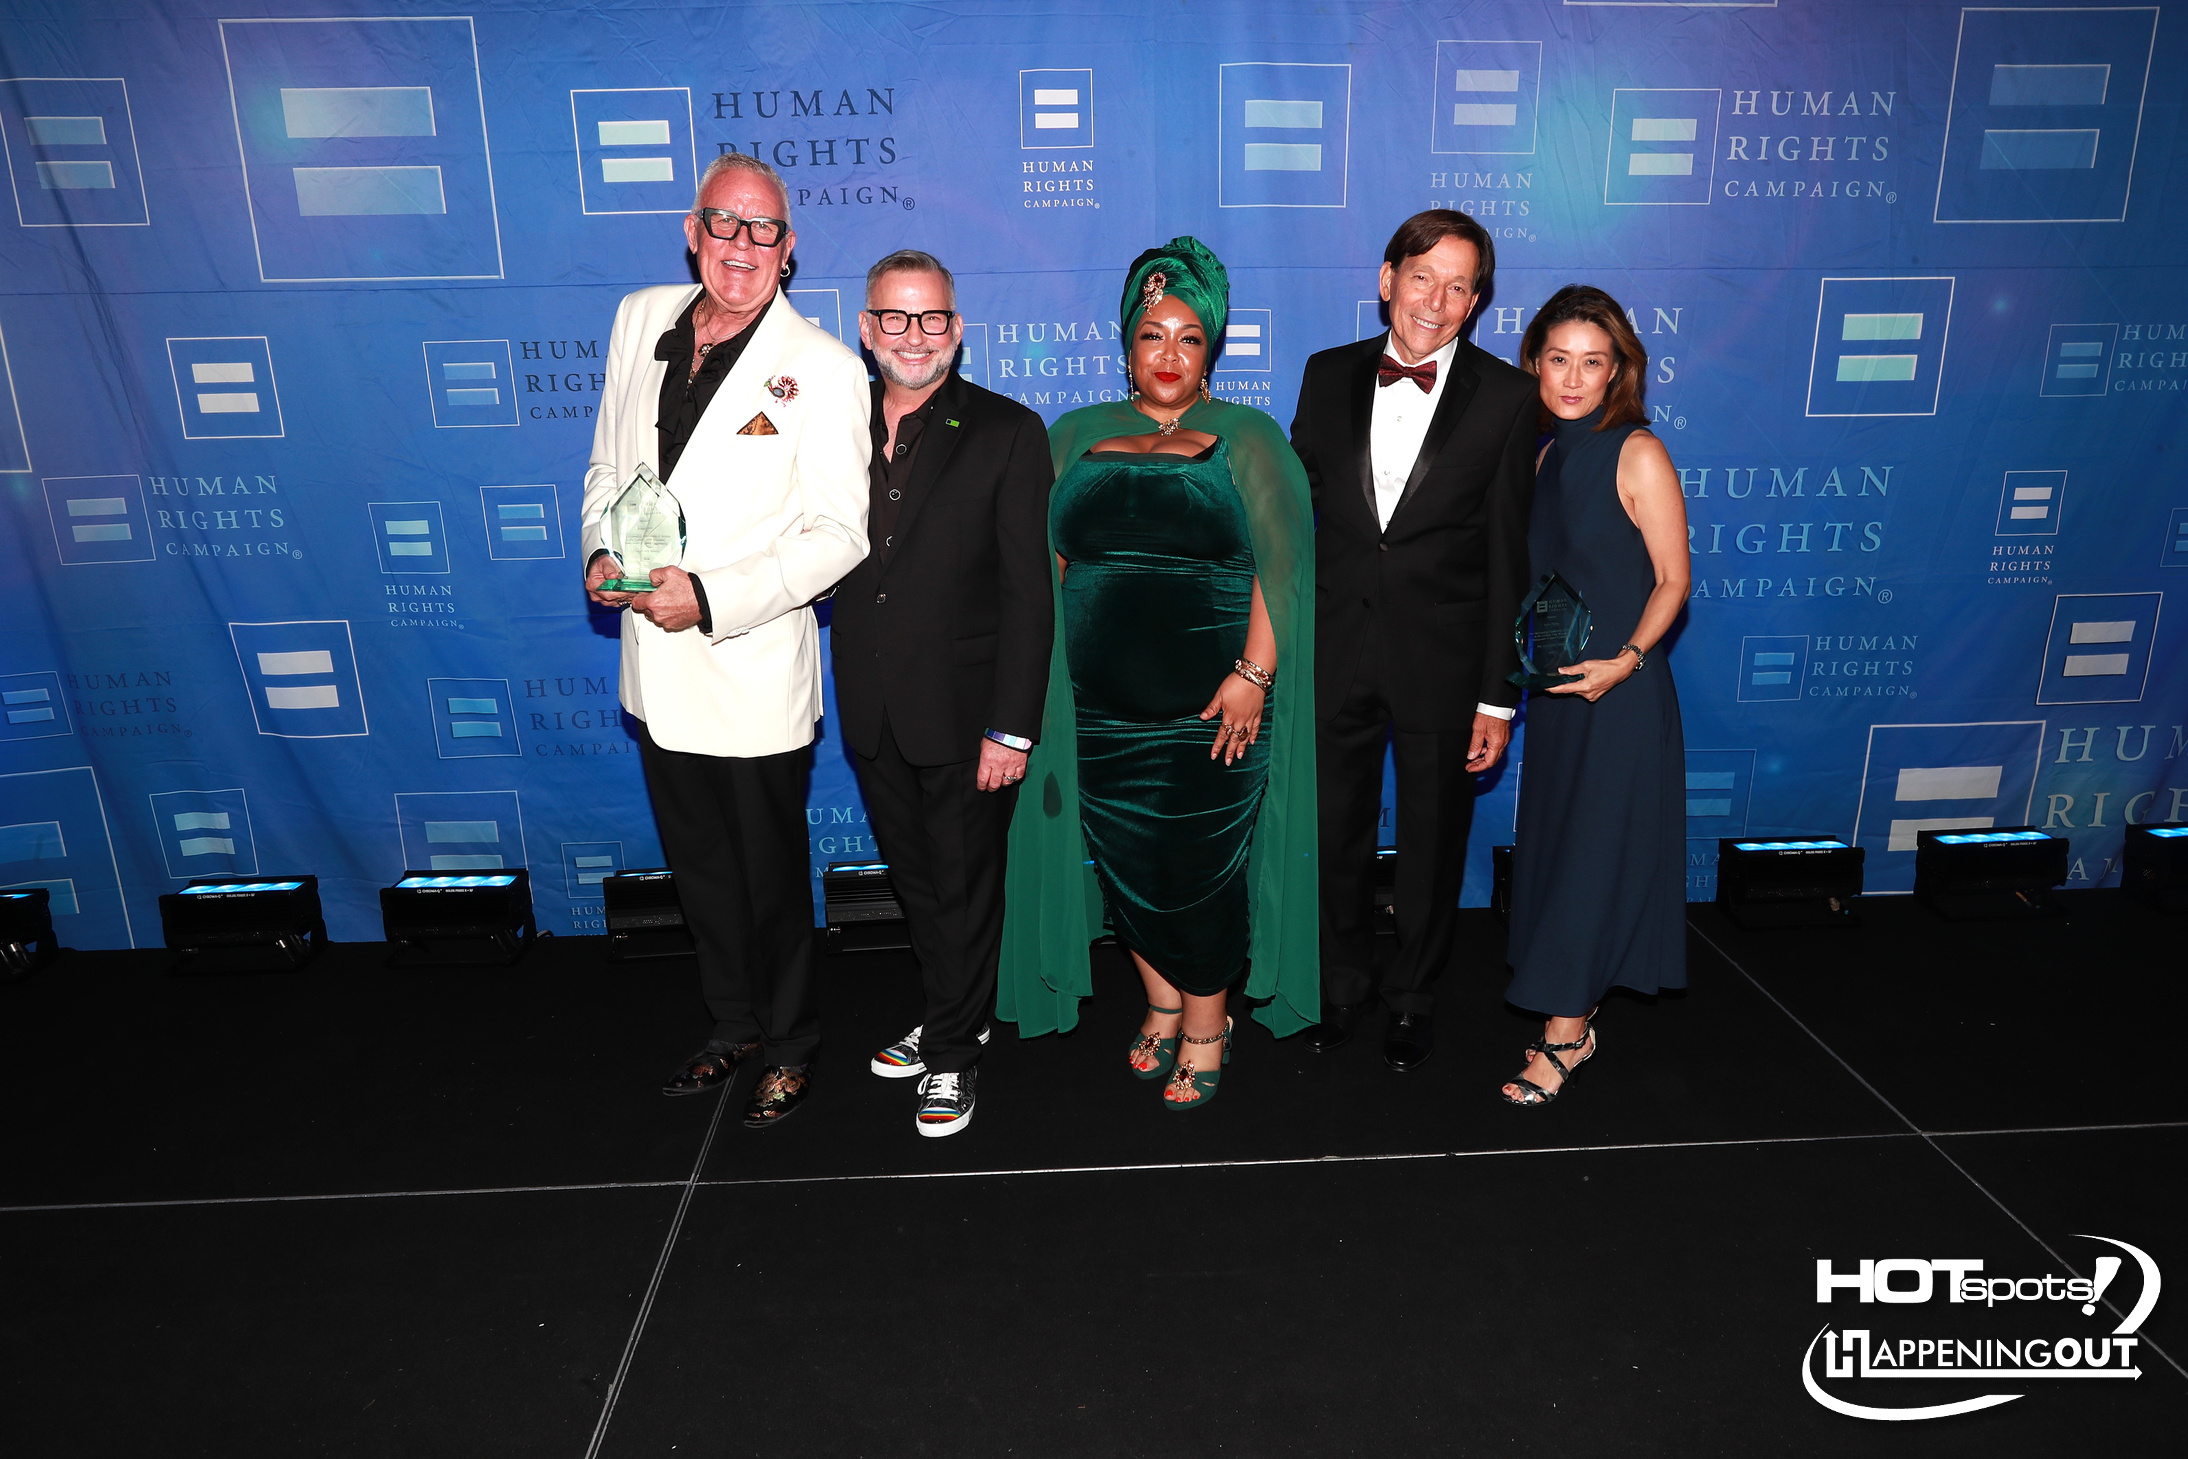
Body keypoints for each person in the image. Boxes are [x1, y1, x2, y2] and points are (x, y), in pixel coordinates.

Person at [581, 152, 870, 1128]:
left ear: (788, 251)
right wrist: (600, 551)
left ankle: (791, 1044)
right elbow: (606, 465)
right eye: (725, 224)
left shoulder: (825, 370)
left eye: (764, 231)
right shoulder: (637, 320)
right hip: (656, 667)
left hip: (748, 669)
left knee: (770, 885)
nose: (742, 247)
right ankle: (730, 1024)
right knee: (700, 873)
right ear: (692, 228)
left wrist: (707, 596)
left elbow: (840, 538)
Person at [998, 237, 1317, 1110]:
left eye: (1187, 336)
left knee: (1193, 870)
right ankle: (1163, 1001)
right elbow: (1044, 566)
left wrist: (1254, 670)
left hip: (1211, 706)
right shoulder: (1073, 434)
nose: (1168, 354)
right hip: (1095, 710)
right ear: (1126, 344)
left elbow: (1280, 570)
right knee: (1122, 860)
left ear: (1211, 347)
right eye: (1151, 335)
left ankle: (1209, 1023)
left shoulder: (1249, 436)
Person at [1288, 210, 1535, 1071]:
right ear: (1387, 277)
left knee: (1433, 842)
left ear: (1477, 302)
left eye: (1460, 285)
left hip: (1445, 661)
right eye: (1424, 276)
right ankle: (1340, 985)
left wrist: (1498, 693)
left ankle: (1413, 995)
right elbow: (1291, 522)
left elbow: (1511, 555)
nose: (1439, 299)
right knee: (1334, 831)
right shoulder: (1325, 375)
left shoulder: (1508, 399)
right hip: (1332, 651)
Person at [830, 250, 1055, 1138]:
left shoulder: (1007, 430)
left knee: (963, 886)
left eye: (930, 320)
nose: (912, 336)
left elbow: (1028, 597)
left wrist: (1013, 726)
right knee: (919, 884)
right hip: (871, 702)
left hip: (968, 714)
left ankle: (956, 1056)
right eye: (895, 317)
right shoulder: (831, 426)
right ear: (866, 327)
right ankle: (949, 1008)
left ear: (956, 331)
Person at [1500, 285, 1690, 1106]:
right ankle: (1569, 1006)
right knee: (1559, 850)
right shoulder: (1545, 457)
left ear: (1620, 372)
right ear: (1535, 363)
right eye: (1558, 360)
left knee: (1588, 860)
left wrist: (1626, 660)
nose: (1573, 378)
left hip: (1620, 696)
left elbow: (1674, 579)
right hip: (1560, 696)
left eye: (1593, 363)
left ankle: (1566, 1038)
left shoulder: (1637, 450)